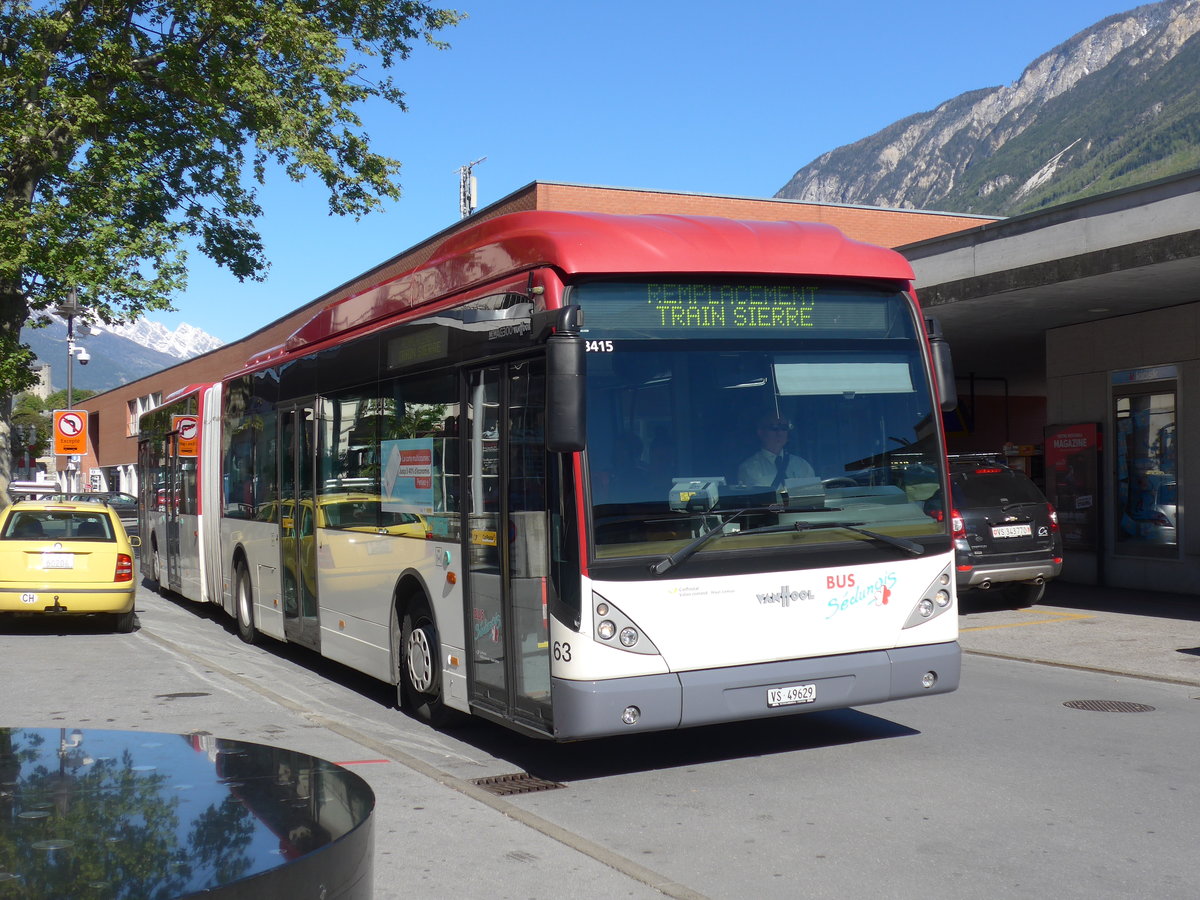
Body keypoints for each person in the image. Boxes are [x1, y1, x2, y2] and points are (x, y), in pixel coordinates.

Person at [737, 415, 815, 488]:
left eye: (784, 428)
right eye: (774, 428)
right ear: (761, 432)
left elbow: (813, 499)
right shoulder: (749, 468)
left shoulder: (802, 465)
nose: (779, 433)